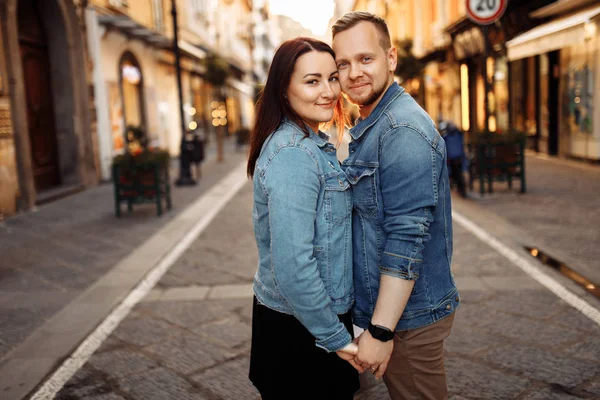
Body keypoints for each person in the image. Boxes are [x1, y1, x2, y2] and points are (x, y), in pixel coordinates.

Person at [332, 12, 459, 399]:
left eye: (365, 59)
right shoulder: (372, 123)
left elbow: (407, 239)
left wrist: (382, 330)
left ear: (391, 58)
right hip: (387, 313)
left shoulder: (401, 130)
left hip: (407, 321)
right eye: (343, 64)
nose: (354, 72)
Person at [246, 37, 362, 399]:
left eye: (332, 78)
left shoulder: (312, 142)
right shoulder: (294, 154)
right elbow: (294, 265)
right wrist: (336, 338)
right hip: (301, 331)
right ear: (284, 89)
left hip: (306, 319)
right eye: (312, 81)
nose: (328, 91)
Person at [438, 119, 467, 198]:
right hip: (458, 157)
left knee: (456, 174)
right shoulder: (458, 135)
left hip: (453, 158)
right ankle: (461, 189)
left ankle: (460, 189)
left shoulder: (448, 137)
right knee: (458, 173)